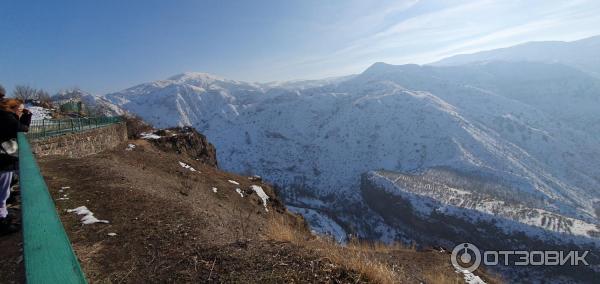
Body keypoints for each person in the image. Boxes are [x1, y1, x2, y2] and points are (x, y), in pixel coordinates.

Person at [0, 98, 31, 234]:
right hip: (2, 158)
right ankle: (2, 222)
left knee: (3, 190)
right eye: (20, 109)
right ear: (13, 108)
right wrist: (25, 117)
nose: (21, 112)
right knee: (1, 192)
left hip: (4, 156)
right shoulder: (6, 117)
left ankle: (3, 216)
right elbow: (22, 129)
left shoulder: (7, 116)